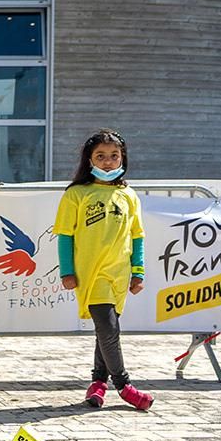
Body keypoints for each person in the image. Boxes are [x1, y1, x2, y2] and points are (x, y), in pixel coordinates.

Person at [57, 130, 153, 411]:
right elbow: (65, 235)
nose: (108, 162)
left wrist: (139, 272)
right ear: (89, 160)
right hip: (92, 274)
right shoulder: (76, 194)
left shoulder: (128, 195)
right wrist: (67, 271)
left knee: (105, 330)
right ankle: (124, 385)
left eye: (114, 156)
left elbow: (137, 236)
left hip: (120, 275)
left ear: (123, 158)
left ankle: (98, 382)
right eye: (101, 156)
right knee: (109, 329)